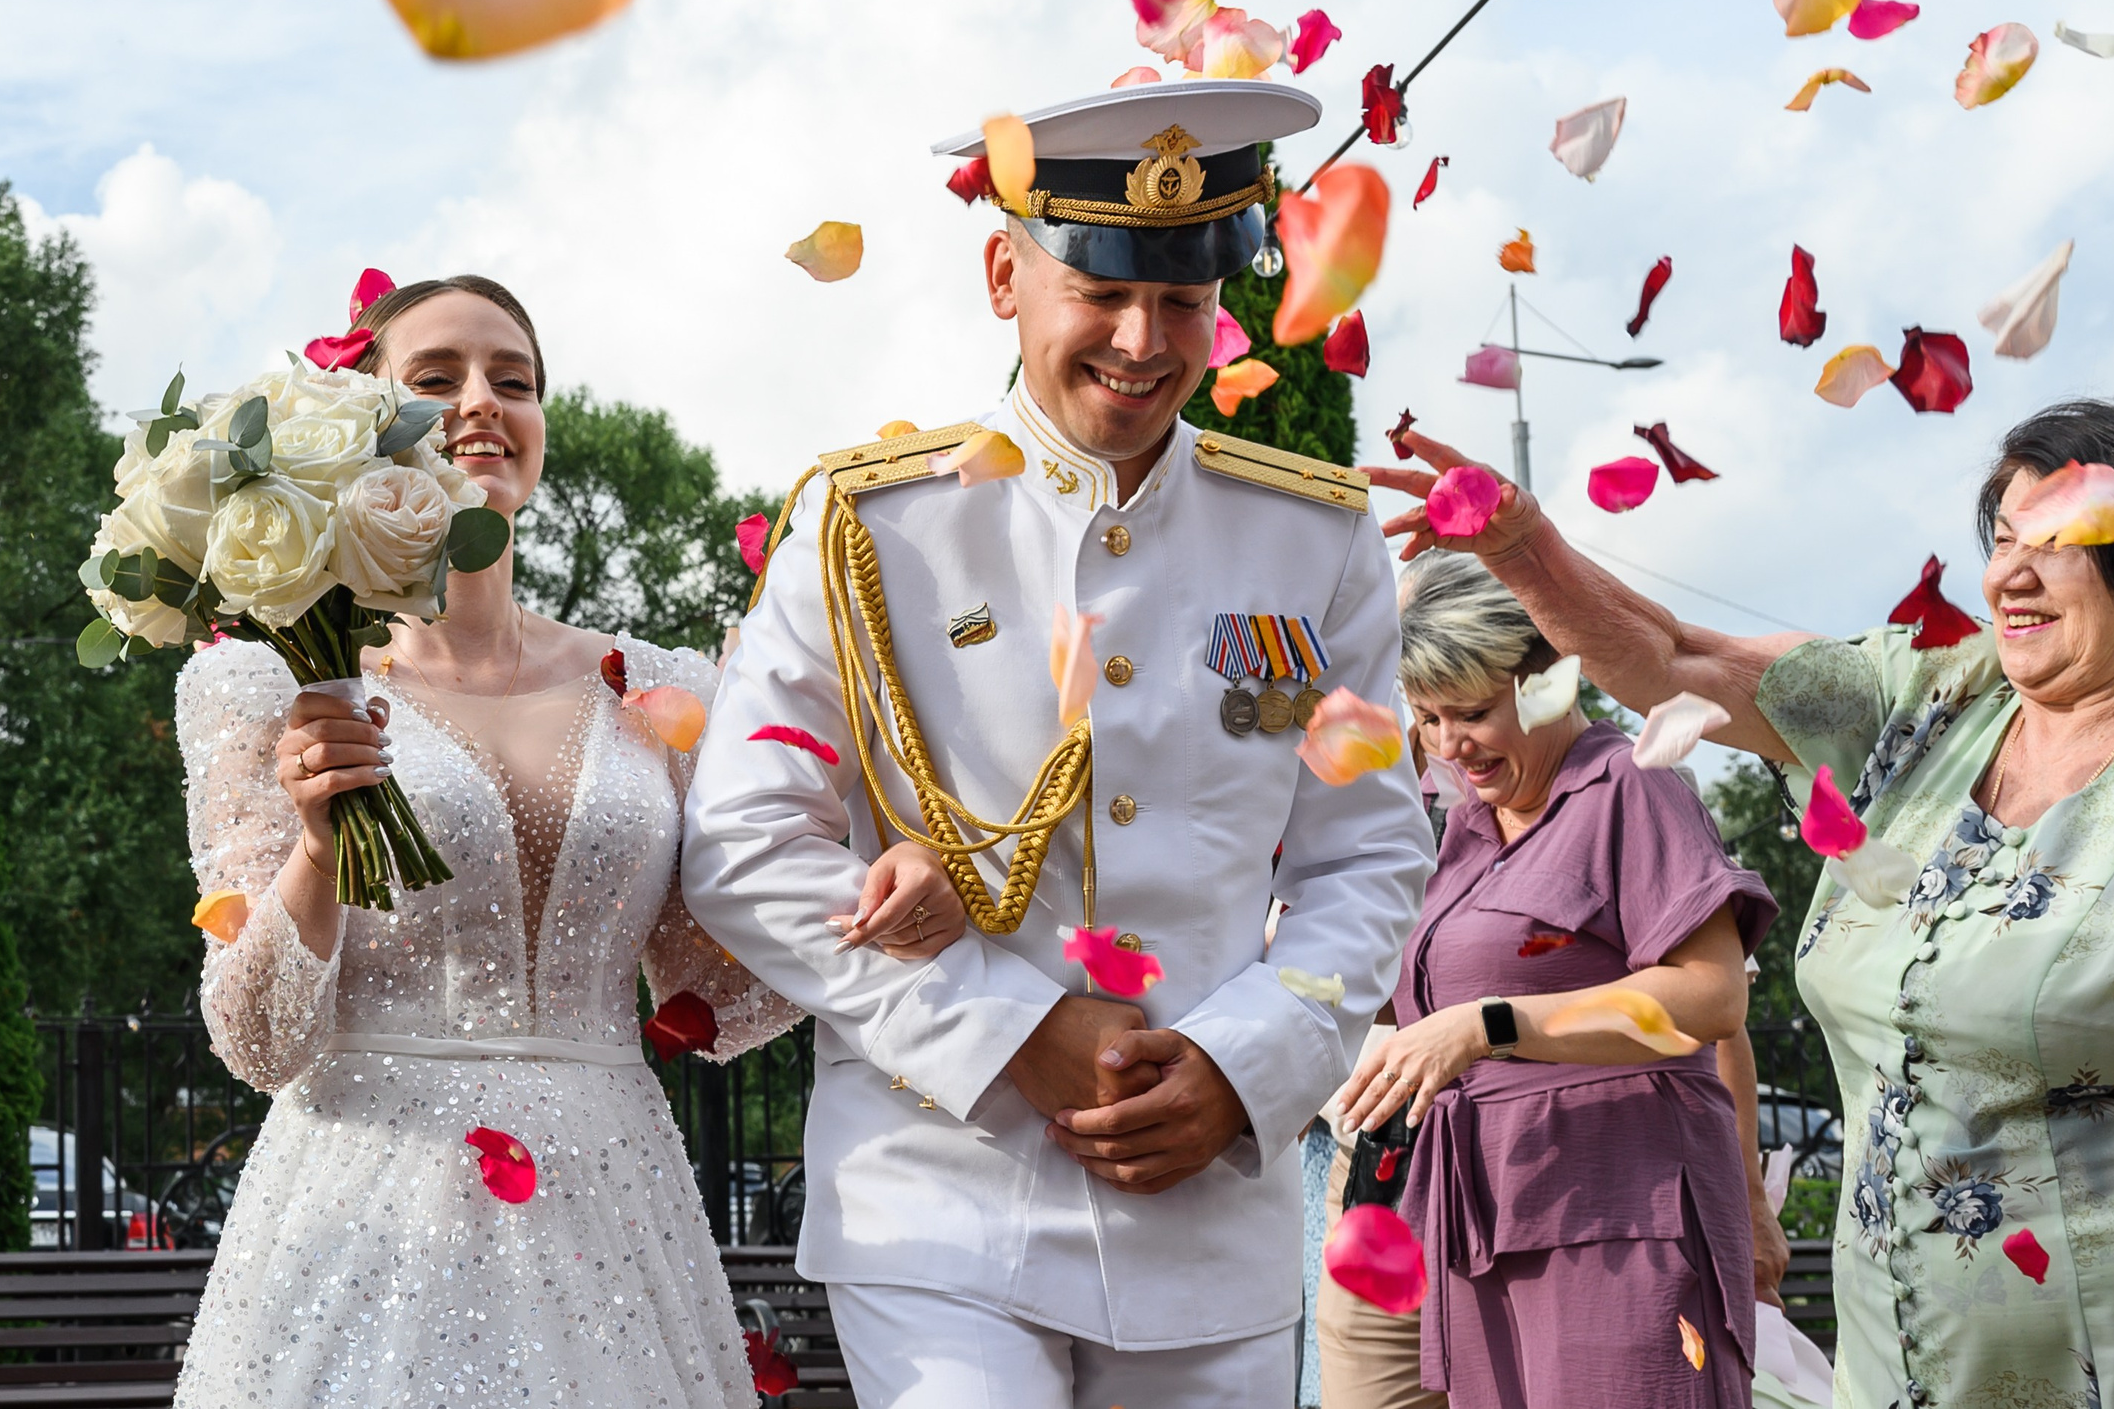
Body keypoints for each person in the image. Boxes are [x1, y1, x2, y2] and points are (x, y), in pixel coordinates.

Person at [1370, 392, 2114, 1409]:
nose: (2010, 575)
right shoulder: (1924, 703)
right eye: (2002, 537)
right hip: (1924, 1363)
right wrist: (1523, 548)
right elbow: (1669, 656)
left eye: (2061, 543)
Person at [679, 79, 1437, 1409]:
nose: (1143, 339)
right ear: (1003, 274)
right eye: (1100, 288)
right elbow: (744, 840)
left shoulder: (1312, 541)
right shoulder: (873, 528)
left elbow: (1365, 857)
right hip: (939, 1187)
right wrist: (1013, 1026)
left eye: (1185, 299)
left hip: (1209, 1205)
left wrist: (1241, 1064)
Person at [173, 275, 959, 1408]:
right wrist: (314, 841)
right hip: (362, 1215)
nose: (483, 401)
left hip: (612, 1210)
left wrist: (895, 869)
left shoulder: (664, 688)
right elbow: (257, 1037)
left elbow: (728, 967)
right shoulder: (272, 682)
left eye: (515, 379)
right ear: (358, 424)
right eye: (436, 378)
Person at [1334, 551, 1775, 1408]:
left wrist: (1490, 1025)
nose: (1448, 743)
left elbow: (1713, 996)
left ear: (1548, 683)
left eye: (1470, 712)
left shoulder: (1631, 787)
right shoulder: (1462, 828)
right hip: (1486, 1225)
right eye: (1426, 718)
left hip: (1620, 1225)